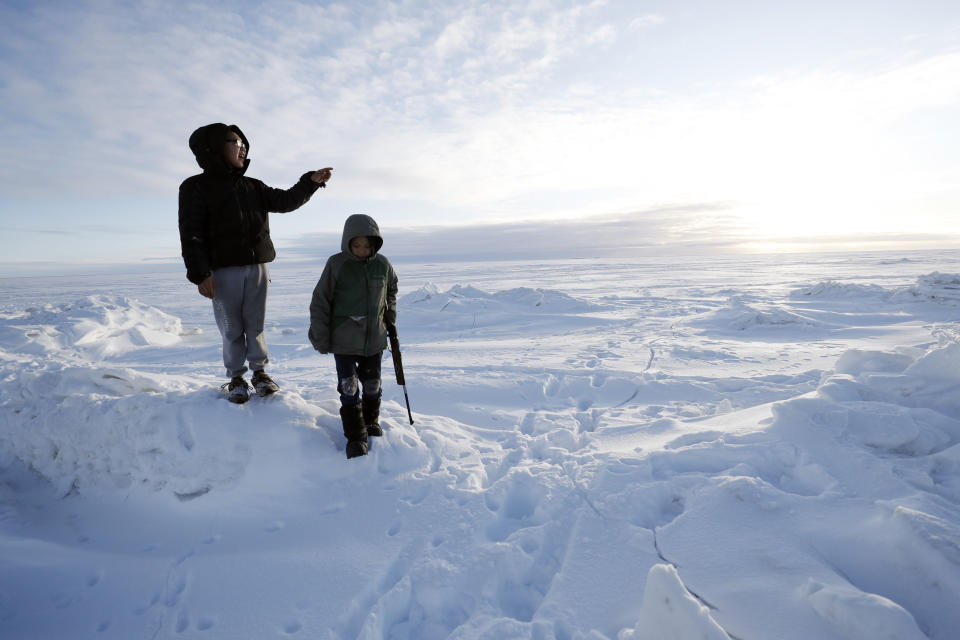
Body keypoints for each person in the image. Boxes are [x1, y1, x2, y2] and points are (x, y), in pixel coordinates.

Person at [178, 122, 333, 404]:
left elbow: (285, 201)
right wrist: (200, 273)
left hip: (258, 269)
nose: (243, 147)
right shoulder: (195, 188)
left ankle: (260, 373)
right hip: (222, 272)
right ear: (213, 148)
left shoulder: (253, 187)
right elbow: (191, 233)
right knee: (231, 327)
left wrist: (309, 183)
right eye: (235, 143)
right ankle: (236, 377)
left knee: (255, 324)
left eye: (243, 143)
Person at [308, 214, 399, 459]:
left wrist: (389, 314)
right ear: (347, 243)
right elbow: (321, 300)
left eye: (367, 245)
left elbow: (392, 289)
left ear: (375, 244)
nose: (361, 250)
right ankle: (355, 437)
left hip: (375, 340)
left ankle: (370, 422)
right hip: (344, 339)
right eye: (356, 245)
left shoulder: (383, 264)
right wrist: (320, 334)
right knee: (349, 388)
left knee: (373, 385)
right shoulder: (337, 264)